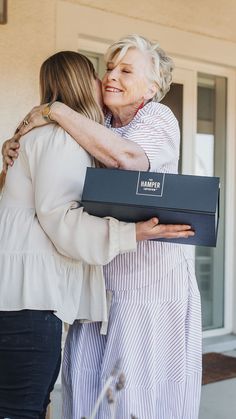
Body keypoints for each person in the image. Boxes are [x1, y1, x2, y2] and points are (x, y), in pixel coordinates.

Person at [2, 35, 201, 419]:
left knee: (137, 398)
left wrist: (53, 110)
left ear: (152, 87)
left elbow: (126, 158)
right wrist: (20, 138)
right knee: (89, 394)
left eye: (126, 70)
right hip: (98, 283)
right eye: (109, 68)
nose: (111, 76)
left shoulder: (157, 119)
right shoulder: (98, 121)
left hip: (149, 285)